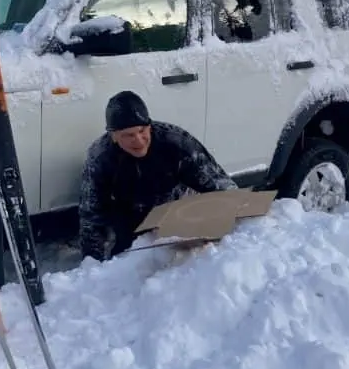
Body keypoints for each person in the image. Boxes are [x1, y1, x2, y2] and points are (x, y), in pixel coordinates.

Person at [78, 90, 236, 261]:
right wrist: (93, 264)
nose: (138, 140)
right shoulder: (100, 158)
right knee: (128, 264)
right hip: (132, 220)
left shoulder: (175, 143)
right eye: (129, 135)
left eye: (142, 131)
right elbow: (92, 217)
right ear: (114, 136)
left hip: (177, 212)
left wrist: (238, 219)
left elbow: (220, 185)